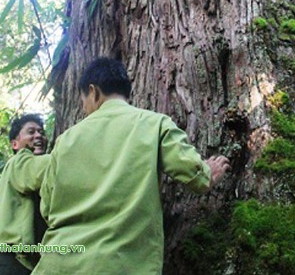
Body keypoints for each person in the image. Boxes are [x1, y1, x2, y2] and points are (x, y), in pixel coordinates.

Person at [33, 57, 231, 274]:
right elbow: (194, 174)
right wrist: (207, 173)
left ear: (93, 91)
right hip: (118, 265)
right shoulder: (154, 124)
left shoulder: (65, 141)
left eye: (83, 102)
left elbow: (47, 207)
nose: (84, 109)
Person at [0, 114, 50, 275]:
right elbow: (36, 172)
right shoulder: (19, 162)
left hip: (24, 264)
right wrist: (74, 150)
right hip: (11, 263)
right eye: (31, 132)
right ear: (15, 144)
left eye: (41, 132)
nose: (38, 136)